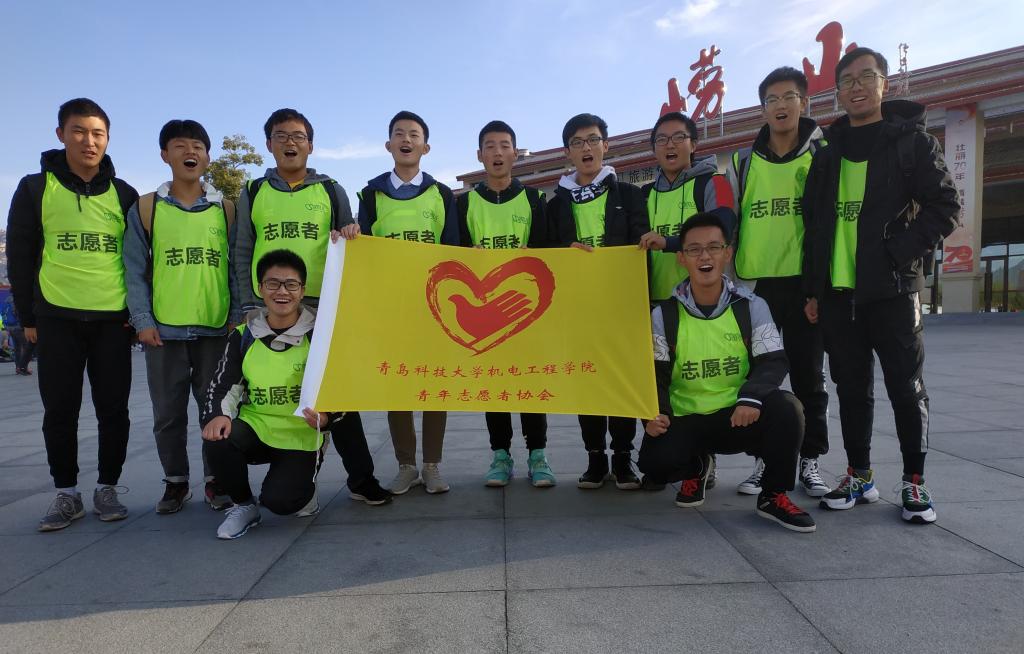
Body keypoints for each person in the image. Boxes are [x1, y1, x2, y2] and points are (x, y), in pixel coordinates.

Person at [802, 48, 960, 524]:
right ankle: (859, 475)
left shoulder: (911, 143)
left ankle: (914, 481)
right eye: (846, 81)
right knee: (851, 390)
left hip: (893, 291)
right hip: (838, 295)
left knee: (906, 389)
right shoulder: (827, 154)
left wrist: (897, 253)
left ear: (884, 84)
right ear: (837, 92)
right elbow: (815, 227)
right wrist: (813, 290)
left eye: (865, 77)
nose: (856, 87)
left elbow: (945, 206)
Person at [234, 108, 389, 507]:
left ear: (311, 145)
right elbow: (243, 249)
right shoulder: (253, 191)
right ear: (269, 144)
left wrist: (351, 232)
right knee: (279, 392)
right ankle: (294, 472)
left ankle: (361, 479)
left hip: (323, 308)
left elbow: (349, 245)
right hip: (269, 307)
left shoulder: (331, 190)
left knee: (339, 396)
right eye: (281, 136)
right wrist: (247, 306)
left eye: (298, 136)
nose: (290, 143)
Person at [7, 98, 138, 531]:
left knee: (113, 409)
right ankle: (67, 493)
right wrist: (28, 318)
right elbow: (21, 256)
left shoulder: (124, 195)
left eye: (98, 133)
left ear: (108, 139)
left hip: (112, 320)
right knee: (60, 410)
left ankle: (107, 487)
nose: (88, 141)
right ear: (61, 134)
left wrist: (137, 315)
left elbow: (138, 260)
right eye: (79, 131)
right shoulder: (35, 188)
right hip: (56, 317)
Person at [638, 212, 815, 533]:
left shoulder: (751, 306)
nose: (704, 256)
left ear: (728, 253)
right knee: (654, 465)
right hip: (686, 418)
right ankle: (696, 465)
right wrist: (654, 415)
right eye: (694, 249)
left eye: (713, 247)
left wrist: (752, 397)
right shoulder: (663, 315)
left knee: (788, 409)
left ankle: (773, 496)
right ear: (681, 258)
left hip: (738, 415)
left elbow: (773, 361)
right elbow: (655, 374)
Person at [124, 119, 240, 514]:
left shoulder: (226, 210)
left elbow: (235, 268)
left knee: (215, 409)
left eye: (197, 146)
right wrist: (143, 321)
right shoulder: (147, 208)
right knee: (167, 414)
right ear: (164, 155)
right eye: (179, 145)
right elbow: (134, 268)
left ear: (207, 157)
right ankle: (175, 482)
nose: (190, 152)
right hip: (164, 331)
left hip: (215, 329)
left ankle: (215, 480)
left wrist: (236, 318)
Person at [725, 67, 832, 498]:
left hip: (804, 287)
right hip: (757, 289)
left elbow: (826, 225)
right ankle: (765, 461)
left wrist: (818, 289)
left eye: (789, 97)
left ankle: (811, 459)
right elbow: (732, 223)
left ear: (804, 103)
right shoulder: (743, 161)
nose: (781, 106)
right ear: (763, 109)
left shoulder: (822, 154)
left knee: (809, 378)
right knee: (759, 380)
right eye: (772, 99)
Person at [203, 250, 348, 539]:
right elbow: (221, 386)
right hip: (257, 427)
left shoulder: (320, 335)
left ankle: (303, 486)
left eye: (291, 284)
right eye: (273, 283)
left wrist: (327, 418)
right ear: (260, 288)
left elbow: (341, 387)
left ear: (302, 291)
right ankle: (244, 505)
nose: (282, 291)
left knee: (282, 502)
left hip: (301, 433)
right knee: (218, 437)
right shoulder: (242, 335)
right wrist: (218, 415)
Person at [358, 110, 459, 495]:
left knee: (434, 385)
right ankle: (406, 465)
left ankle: (432, 465)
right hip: (391, 308)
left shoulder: (441, 194)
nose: (406, 140)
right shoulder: (371, 195)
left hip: (433, 309)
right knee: (397, 384)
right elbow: (364, 251)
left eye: (414, 134)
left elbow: (452, 251)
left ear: (425, 147)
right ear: (389, 145)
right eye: (399, 134)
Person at [547, 112, 649, 490]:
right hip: (578, 309)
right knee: (587, 381)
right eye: (577, 142)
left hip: (621, 306)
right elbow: (546, 253)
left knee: (619, 381)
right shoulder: (556, 204)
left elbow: (641, 244)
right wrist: (565, 252)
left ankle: (622, 458)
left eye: (592, 139)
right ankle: (594, 459)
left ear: (606, 145)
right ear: (568, 153)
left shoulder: (629, 195)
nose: (586, 148)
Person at [455, 120, 555, 488]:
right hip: (485, 315)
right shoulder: (464, 203)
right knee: (493, 385)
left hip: (526, 309)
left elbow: (549, 256)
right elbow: (454, 256)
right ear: (479, 155)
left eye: (504, 145)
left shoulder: (534, 200)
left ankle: (538, 455)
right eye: (490, 146)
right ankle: (500, 455)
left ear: (515, 153)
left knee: (530, 383)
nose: (497, 153)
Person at [637, 111, 736, 302]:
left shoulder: (716, 182)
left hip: (705, 303)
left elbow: (723, 229)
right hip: (654, 304)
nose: (670, 144)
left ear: (693, 145)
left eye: (679, 137)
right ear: (654, 149)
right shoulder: (643, 194)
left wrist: (667, 243)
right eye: (662, 139)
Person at [2, 293, 35, 375]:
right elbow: (18, 312)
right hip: (18, 327)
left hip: (9, 327)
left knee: (17, 348)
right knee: (26, 347)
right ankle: (23, 367)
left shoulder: (7, 299)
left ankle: (18, 367)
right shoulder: (18, 299)